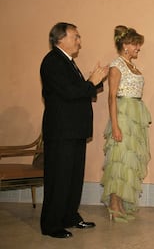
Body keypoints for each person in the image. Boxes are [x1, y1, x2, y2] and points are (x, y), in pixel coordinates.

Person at [40, 22, 108, 238]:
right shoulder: (53, 62)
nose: (79, 40)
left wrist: (93, 82)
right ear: (61, 39)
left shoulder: (68, 62)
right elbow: (69, 92)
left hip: (74, 130)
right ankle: (51, 225)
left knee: (73, 177)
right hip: (61, 131)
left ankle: (69, 216)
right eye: (75, 36)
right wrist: (91, 82)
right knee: (59, 178)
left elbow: (78, 91)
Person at [100, 25, 151, 223]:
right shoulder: (116, 66)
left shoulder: (132, 65)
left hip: (135, 117)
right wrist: (115, 126)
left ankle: (120, 203)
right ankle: (113, 204)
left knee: (129, 163)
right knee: (118, 161)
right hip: (122, 116)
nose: (139, 47)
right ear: (126, 45)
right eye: (136, 44)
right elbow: (112, 97)